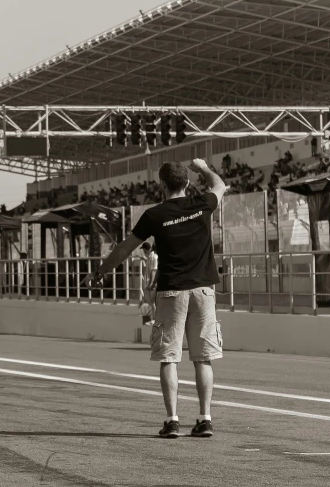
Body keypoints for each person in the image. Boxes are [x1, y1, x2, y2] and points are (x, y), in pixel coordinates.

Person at [81, 159, 225, 439]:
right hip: (204, 291)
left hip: (172, 292)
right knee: (203, 359)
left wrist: (99, 273)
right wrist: (204, 168)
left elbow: (124, 249)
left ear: (162, 185)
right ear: (186, 183)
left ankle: (172, 421)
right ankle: (205, 419)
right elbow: (220, 185)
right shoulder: (203, 204)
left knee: (169, 358)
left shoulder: (154, 214)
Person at [139, 242, 158, 326]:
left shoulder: (153, 257)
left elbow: (153, 271)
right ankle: (152, 318)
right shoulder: (150, 257)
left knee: (153, 301)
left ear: (146, 249)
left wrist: (151, 284)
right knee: (150, 301)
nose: (143, 251)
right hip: (148, 283)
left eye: (143, 249)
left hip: (151, 283)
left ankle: (154, 319)